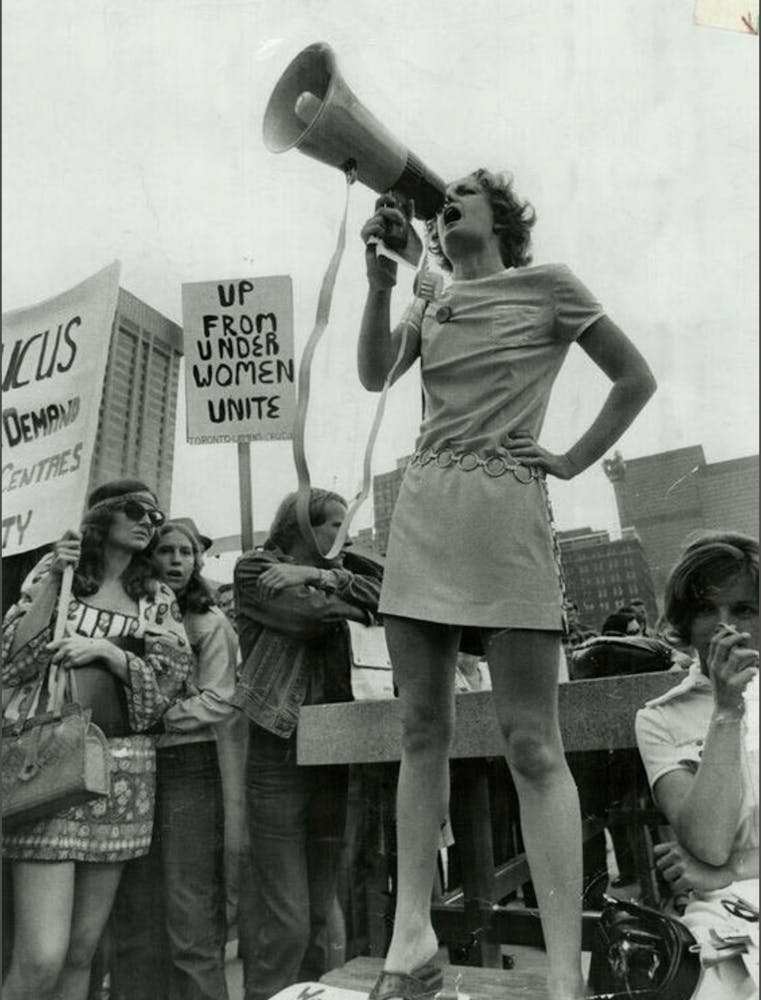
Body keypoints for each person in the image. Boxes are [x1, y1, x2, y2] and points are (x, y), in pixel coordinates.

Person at [357, 170, 657, 999]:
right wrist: (382, 287)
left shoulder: (551, 285)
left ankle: (564, 972)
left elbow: (634, 378)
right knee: (422, 729)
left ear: (503, 218)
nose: (443, 202)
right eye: (441, 197)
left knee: (532, 742)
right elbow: (375, 372)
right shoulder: (431, 297)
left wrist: (569, 459)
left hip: (506, 511)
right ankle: (409, 938)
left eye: (462, 193)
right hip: (423, 511)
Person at [1, 480, 194, 1000]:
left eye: (156, 516)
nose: (148, 522)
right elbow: (11, 661)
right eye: (136, 511)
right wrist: (52, 579)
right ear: (101, 516)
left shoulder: (157, 596)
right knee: (40, 957)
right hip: (48, 763)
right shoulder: (54, 573)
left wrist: (109, 654)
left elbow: (171, 686)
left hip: (125, 771)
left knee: (83, 950)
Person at [232, 488, 382, 1000]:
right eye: (333, 524)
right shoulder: (255, 570)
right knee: (288, 919)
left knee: (320, 914)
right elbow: (310, 618)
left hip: (334, 747)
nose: (345, 534)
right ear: (300, 526)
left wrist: (320, 575)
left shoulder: (334, 570)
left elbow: (393, 595)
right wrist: (355, 606)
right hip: (280, 745)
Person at [110, 518, 237, 1000]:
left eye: (186, 553)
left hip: (186, 766)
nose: (177, 562)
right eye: (167, 551)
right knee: (137, 906)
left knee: (189, 907)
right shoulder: (133, 616)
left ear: (198, 561)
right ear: (150, 558)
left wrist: (159, 716)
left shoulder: (208, 622)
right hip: (136, 765)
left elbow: (219, 700)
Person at [635, 532, 759, 1000]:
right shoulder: (659, 719)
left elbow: (714, 863)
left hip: (727, 882)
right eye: (708, 610)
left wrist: (732, 869)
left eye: (744, 609)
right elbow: (707, 842)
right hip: (725, 915)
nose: (725, 626)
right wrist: (727, 710)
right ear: (686, 622)